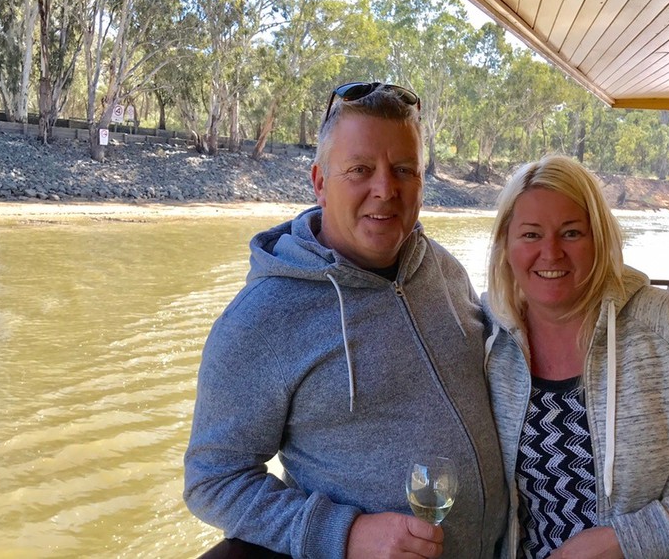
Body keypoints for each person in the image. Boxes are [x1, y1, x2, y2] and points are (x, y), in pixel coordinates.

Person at [184, 82, 507, 559]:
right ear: (319, 182)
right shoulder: (262, 319)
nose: (385, 190)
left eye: (404, 170)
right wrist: (344, 534)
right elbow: (213, 480)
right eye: (360, 170)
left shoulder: (442, 267)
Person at [483, 154, 669, 558]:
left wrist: (625, 542)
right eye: (531, 235)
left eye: (571, 233)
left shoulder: (667, 324)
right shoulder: (490, 340)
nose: (551, 253)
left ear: (600, 238)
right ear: (505, 245)